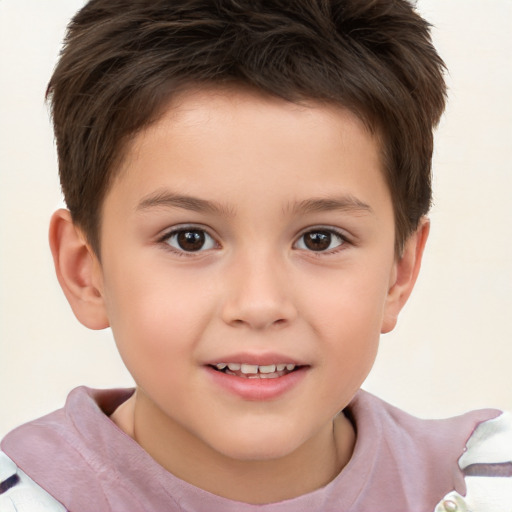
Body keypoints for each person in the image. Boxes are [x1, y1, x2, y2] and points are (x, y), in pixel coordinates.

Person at [1, 0, 511, 510]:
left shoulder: (484, 486)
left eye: (320, 239)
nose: (260, 303)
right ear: (85, 270)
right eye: (190, 239)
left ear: (399, 273)